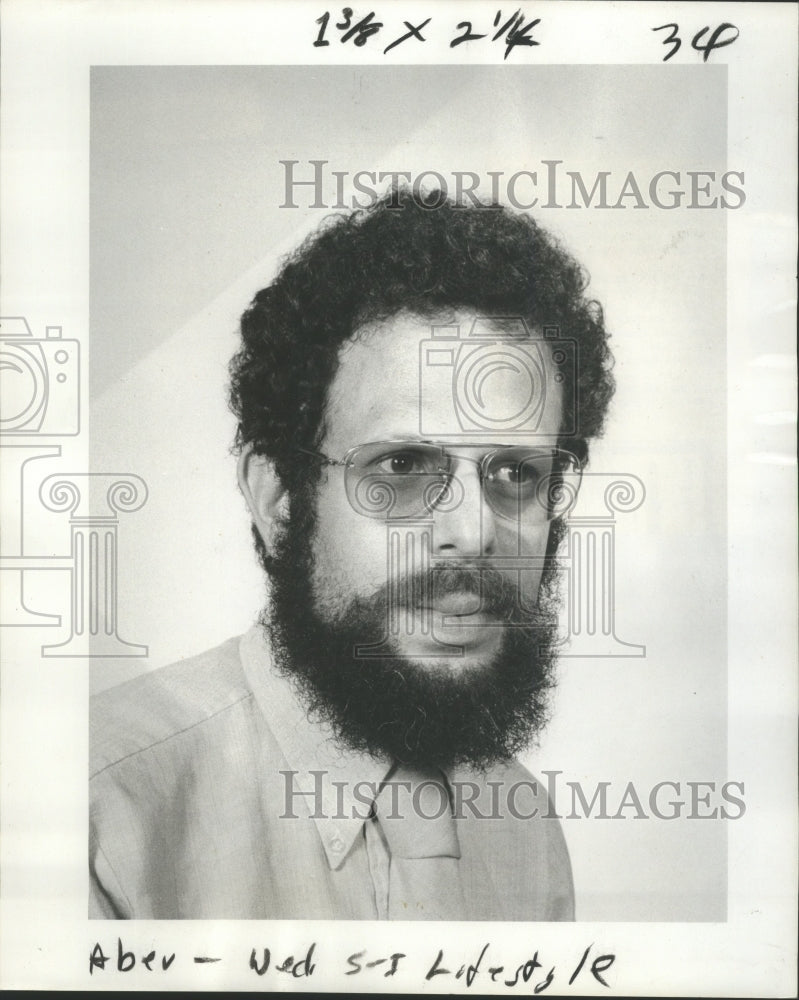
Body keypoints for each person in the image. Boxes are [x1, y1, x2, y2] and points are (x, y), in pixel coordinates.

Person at [89, 189, 615, 920]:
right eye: (402, 466)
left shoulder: (522, 825)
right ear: (279, 499)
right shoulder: (100, 809)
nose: (473, 531)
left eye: (514, 472)